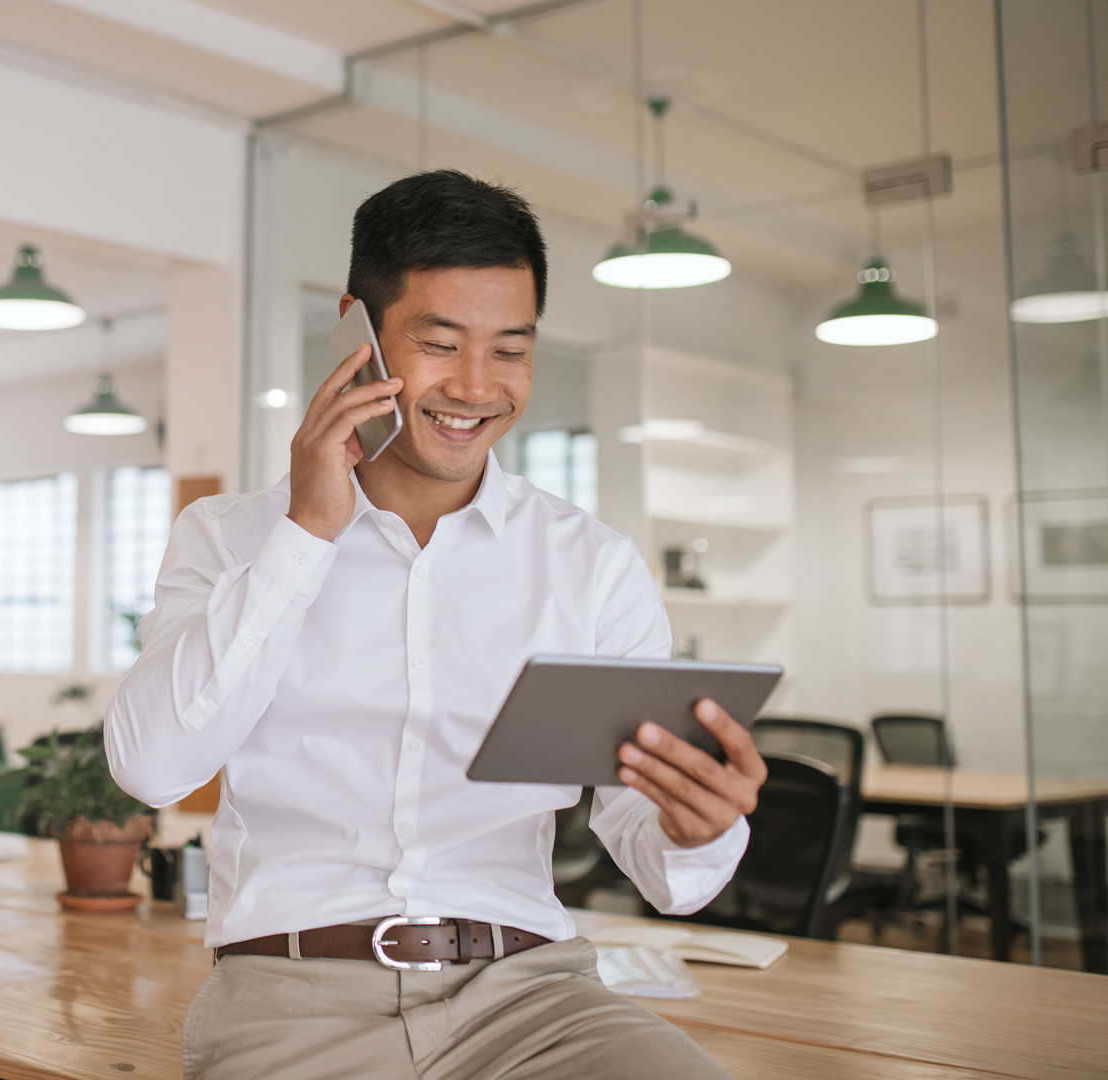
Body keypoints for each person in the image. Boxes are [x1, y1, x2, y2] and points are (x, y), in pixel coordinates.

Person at [105, 170, 767, 1080]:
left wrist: (700, 831)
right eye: (442, 343)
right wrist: (307, 532)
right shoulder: (230, 539)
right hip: (294, 1001)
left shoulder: (589, 563)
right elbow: (153, 768)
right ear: (359, 332)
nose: (476, 387)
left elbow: (661, 868)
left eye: (511, 350)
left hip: (534, 1000)